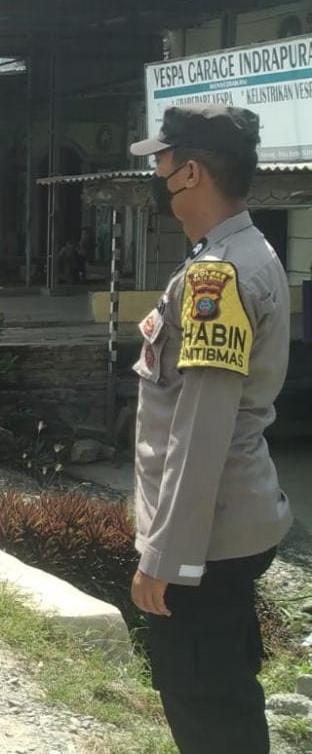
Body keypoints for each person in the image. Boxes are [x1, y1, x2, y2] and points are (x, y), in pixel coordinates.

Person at [128, 104, 293, 754]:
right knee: (224, 698)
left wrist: (165, 558)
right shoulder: (238, 254)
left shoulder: (217, 275)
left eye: (162, 162)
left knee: (209, 716)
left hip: (207, 540)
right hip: (225, 529)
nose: (158, 174)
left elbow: (201, 430)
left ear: (190, 171)